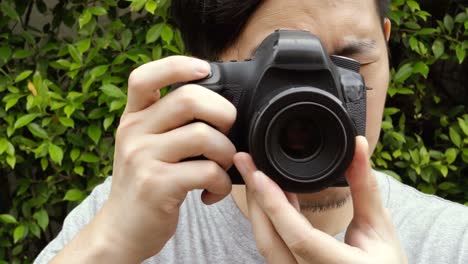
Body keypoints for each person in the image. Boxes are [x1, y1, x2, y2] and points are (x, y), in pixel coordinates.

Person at [35, 0, 468, 263]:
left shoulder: (453, 243)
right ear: (209, 78)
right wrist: (109, 246)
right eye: (280, 76)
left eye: (350, 65)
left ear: (386, 44)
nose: (318, 106)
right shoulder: (134, 213)